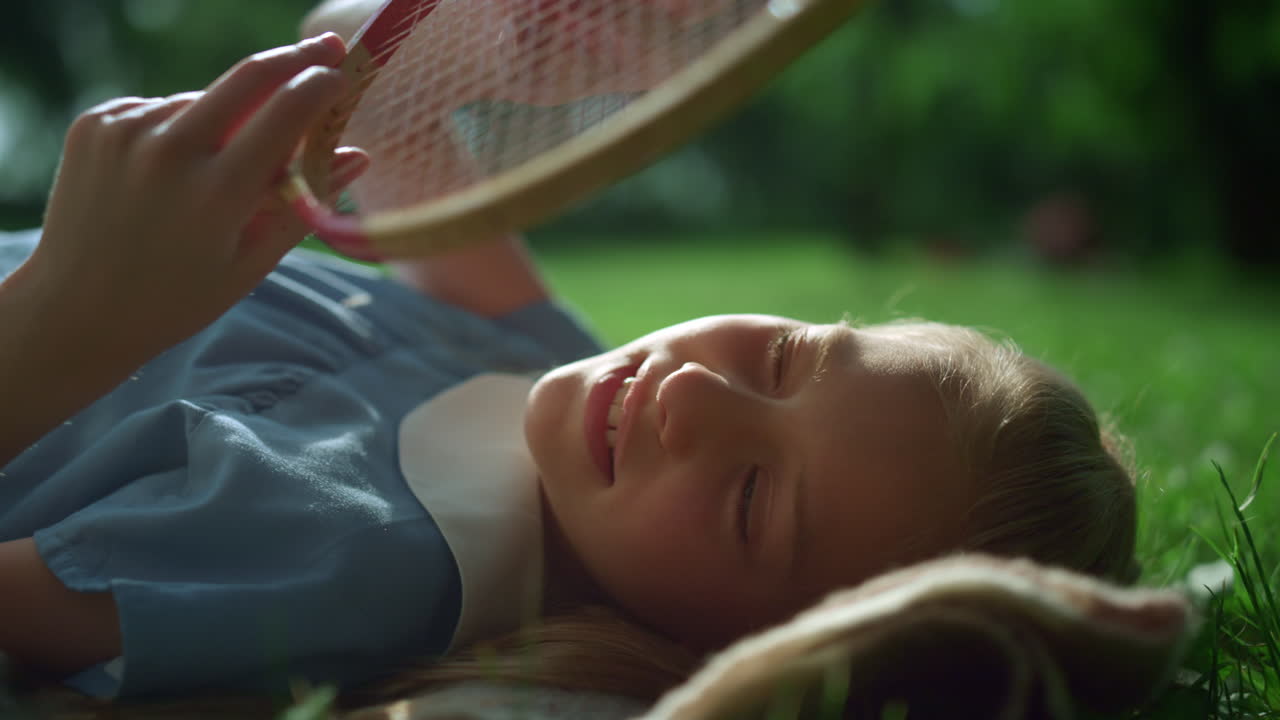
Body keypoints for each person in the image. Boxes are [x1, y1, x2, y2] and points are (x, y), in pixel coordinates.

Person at [0, 2, 1138, 708]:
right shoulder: (546, 355)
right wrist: (501, 42)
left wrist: (59, 322)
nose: (694, 393)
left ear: (716, 647)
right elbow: (340, 69)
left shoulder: (352, 568)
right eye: (787, 359)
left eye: (751, 500)